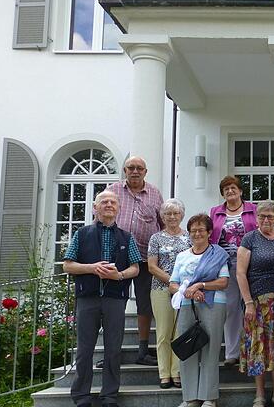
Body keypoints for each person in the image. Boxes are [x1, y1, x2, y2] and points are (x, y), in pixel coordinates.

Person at [63, 190, 141, 407]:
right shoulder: (82, 233)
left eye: (113, 202)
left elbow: (135, 268)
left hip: (115, 298)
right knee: (85, 350)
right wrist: (92, 268)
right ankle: (81, 396)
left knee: (114, 349)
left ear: (118, 208)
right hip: (87, 297)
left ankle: (109, 396)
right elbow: (67, 265)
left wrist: (120, 275)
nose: (109, 204)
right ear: (94, 208)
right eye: (104, 202)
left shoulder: (127, 237)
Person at [169, 214, 230, 407]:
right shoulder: (182, 256)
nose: (197, 233)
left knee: (211, 350)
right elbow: (173, 283)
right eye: (193, 230)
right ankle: (190, 397)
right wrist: (187, 291)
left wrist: (200, 286)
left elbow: (223, 281)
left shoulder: (218, 254)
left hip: (214, 304)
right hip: (187, 305)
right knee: (188, 349)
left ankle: (209, 397)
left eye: (201, 230)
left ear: (209, 232)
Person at [107, 155, 163, 366]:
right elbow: (100, 218)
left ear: (145, 172)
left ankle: (142, 351)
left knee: (144, 304)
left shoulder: (155, 193)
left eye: (139, 168)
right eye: (131, 167)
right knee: (115, 304)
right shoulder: (112, 190)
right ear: (125, 170)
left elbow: (162, 223)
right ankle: (112, 352)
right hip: (116, 257)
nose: (135, 171)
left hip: (145, 257)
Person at [236, 202, 274, 407]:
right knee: (258, 348)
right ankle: (260, 395)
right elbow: (241, 273)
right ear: (256, 218)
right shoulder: (250, 238)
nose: (266, 220)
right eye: (262, 216)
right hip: (258, 302)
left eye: (270, 216)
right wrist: (248, 303)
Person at [209, 176, 258, 367]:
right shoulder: (215, 212)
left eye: (233, 188)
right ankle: (232, 353)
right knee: (231, 309)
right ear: (222, 193)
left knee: (251, 307)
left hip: (251, 265)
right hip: (225, 266)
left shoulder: (253, 209)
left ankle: (252, 349)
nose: (230, 191)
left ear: (240, 191)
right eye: (226, 189)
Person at [148, 198, 191, 389]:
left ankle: (177, 372)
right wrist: (172, 281)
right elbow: (151, 266)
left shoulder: (189, 236)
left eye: (175, 213)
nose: (172, 217)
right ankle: (164, 373)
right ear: (162, 217)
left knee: (179, 332)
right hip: (161, 289)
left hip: (183, 291)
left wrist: (181, 285)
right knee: (164, 333)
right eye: (168, 214)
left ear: (181, 215)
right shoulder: (156, 238)